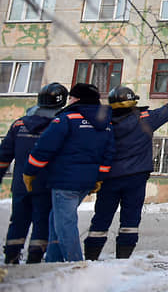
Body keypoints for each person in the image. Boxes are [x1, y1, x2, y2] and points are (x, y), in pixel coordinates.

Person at [83, 87, 168, 261]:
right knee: (130, 221)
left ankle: (91, 258)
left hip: (108, 179)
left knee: (100, 219)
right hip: (136, 178)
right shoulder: (145, 119)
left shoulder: (103, 122)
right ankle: (123, 259)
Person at [22, 83, 115, 262]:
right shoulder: (106, 123)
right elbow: (109, 153)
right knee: (55, 219)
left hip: (65, 180)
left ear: (77, 99)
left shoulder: (66, 119)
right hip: (87, 181)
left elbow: (44, 147)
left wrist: (29, 171)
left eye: (71, 97)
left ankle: (76, 264)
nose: (69, 100)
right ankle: (53, 261)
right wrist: (99, 178)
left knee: (65, 223)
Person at [0, 83, 67, 264]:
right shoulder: (60, 125)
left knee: (18, 221)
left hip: (21, 185)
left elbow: (4, 156)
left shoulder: (18, 124)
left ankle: (12, 256)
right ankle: (35, 259)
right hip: (46, 184)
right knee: (42, 221)